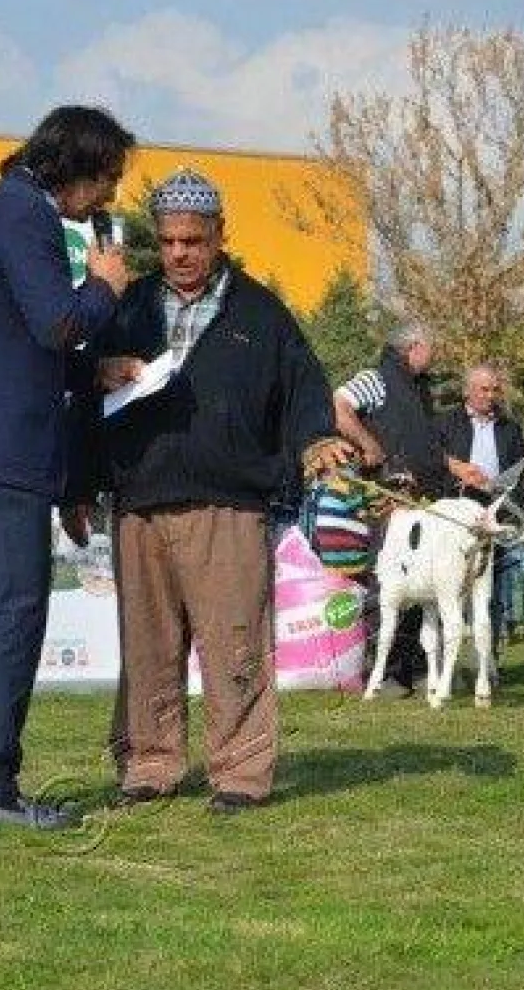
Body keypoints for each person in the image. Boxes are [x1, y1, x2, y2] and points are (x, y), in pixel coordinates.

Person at [68, 167, 342, 814]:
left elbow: (303, 387)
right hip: (139, 502)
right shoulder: (127, 306)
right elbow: (79, 393)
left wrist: (314, 438)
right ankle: (149, 763)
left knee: (236, 643)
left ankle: (241, 772)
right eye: (167, 241)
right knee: (148, 646)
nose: (179, 253)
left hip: (230, 504)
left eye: (193, 240)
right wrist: (80, 473)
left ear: (220, 234)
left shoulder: (262, 313)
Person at [0, 105, 134, 829]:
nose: (107, 198)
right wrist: (104, 285)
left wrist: (89, 371)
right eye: (107, 179)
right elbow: (58, 321)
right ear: (75, 168)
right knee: (11, 616)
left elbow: (21, 341)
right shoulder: (23, 216)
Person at [334, 320, 452, 697]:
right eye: (430, 347)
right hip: (388, 498)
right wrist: (369, 445)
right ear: (413, 347)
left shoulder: (419, 390)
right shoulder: (376, 378)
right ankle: (383, 672)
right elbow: (338, 405)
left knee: (424, 584)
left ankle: (417, 668)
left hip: (424, 499)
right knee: (386, 584)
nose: (433, 355)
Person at [435, 363, 524, 647]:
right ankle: (444, 654)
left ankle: (490, 660)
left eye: (494, 389)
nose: (490, 395)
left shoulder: (510, 428)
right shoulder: (445, 423)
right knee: (450, 583)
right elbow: (434, 462)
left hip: (494, 510)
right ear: (467, 391)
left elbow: (521, 468)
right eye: (483, 389)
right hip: (456, 511)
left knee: (494, 584)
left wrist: (500, 491)